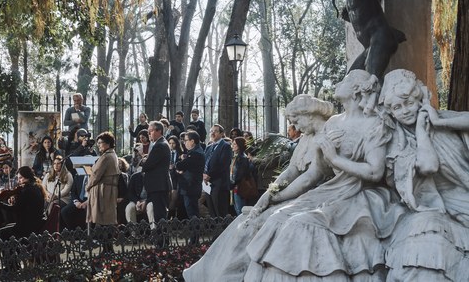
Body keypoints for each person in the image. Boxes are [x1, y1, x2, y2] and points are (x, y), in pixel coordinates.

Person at [185, 70, 405, 281]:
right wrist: (271, 194)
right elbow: (309, 170)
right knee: (256, 221)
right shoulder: (335, 123)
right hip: (329, 190)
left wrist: (278, 196)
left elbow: (360, 172)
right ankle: (217, 275)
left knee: (285, 222)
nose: (294, 126)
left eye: (346, 80)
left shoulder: (372, 124)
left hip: (353, 193)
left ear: (356, 90)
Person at [380, 69, 469, 281]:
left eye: (409, 103)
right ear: (390, 111)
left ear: (420, 99)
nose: (405, 111)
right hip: (439, 203)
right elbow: (428, 166)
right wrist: (421, 130)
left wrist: (439, 123)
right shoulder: (397, 143)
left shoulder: (444, 120)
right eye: (397, 107)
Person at [0, 166, 46, 240]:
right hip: (35, 222)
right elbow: (25, 205)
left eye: (20, 178)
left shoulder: (27, 190)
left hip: (29, 226)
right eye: (18, 178)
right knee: (8, 226)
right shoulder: (36, 186)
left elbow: (14, 209)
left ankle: (13, 251)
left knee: (1, 232)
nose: (18, 181)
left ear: (27, 177)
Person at [86, 132, 120, 228]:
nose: (98, 145)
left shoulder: (106, 157)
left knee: (102, 218)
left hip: (103, 190)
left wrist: (88, 186)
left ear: (108, 143)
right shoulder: (112, 155)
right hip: (108, 189)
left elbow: (96, 175)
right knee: (107, 218)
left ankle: (102, 240)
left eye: (100, 142)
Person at [140, 121, 172, 223]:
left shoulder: (160, 145)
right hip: (156, 186)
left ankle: (163, 238)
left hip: (159, 186)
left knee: (160, 215)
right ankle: (159, 237)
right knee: (156, 214)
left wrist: (143, 159)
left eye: (150, 131)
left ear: (159, 131)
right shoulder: (158, 144)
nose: (149, 134)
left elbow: (146, 165)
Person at [203, 124, 233, 218]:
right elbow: (204, 163)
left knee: (220, 210)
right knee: (211, 210)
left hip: (219, 183)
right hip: (207, 183)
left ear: (222, 133)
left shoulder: (226, 146)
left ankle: (223, 230)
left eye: (215, 131)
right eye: (211, 131)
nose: (212, 133)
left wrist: (210, 175)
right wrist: (204, 174)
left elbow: (223, 164)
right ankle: (215, 230)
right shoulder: (209, 147)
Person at [174, 131, 205, 221]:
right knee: (189, 211)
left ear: (192, 141)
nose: (184, 143)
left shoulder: (196, 153)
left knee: (192, 213)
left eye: (186, 140)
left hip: (191, 187)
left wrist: (183, 160)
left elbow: (180, 165)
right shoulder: (192, 152)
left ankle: (195, 234)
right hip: (188, 187)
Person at [230, 137, 251, 215]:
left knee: (240, 210)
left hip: (239, 187)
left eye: (235, 144)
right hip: (235, 186)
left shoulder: (242, 158)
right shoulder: (236, 157)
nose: (232, 145)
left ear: (239, 146)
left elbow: (240, 174)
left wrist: (233, 183)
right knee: (236, 208)